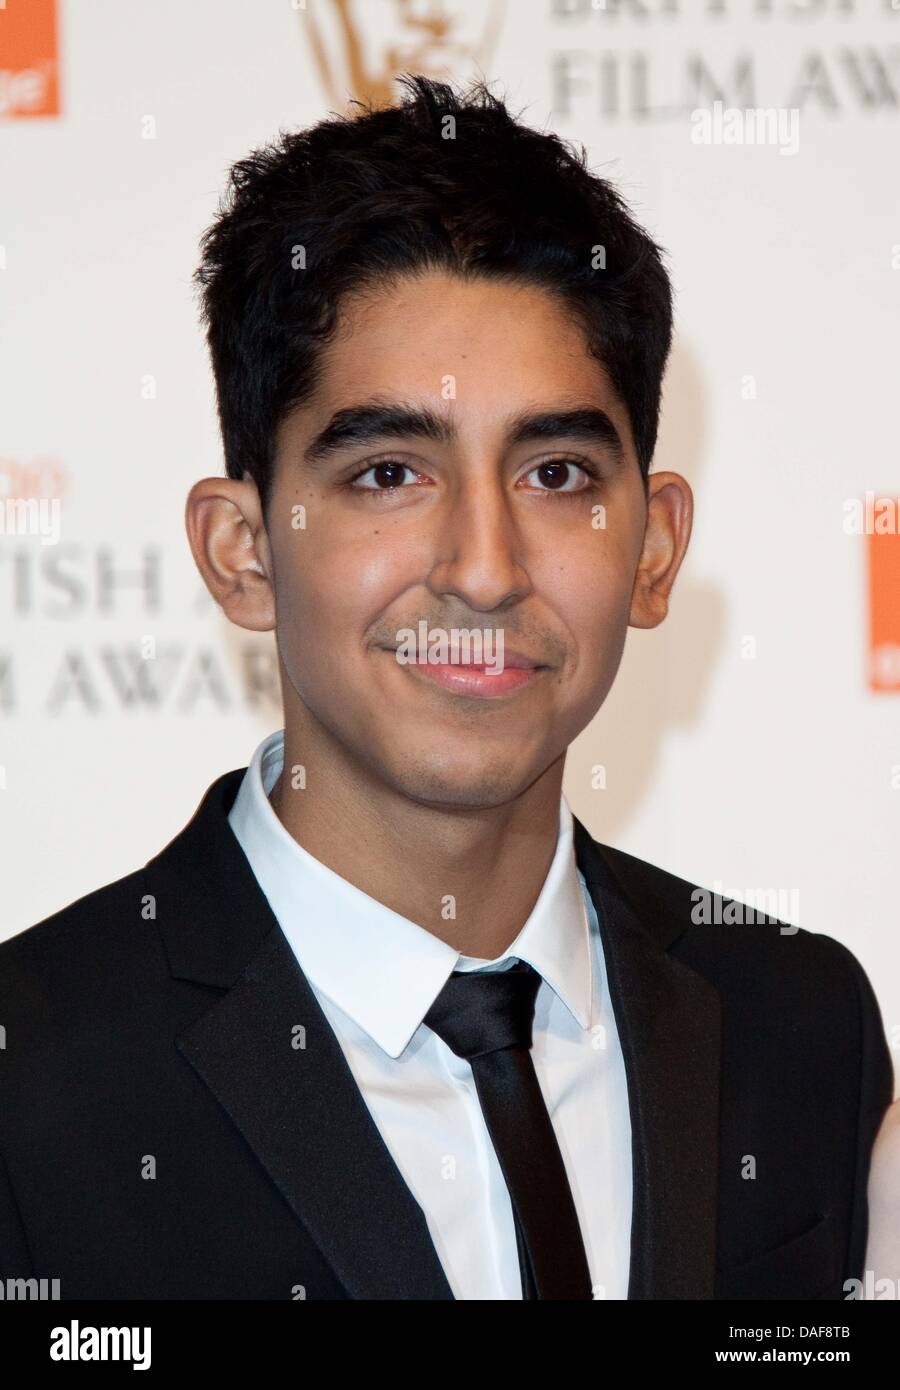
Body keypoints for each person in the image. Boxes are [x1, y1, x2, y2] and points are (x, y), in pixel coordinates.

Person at [0, 74, 893, 1301]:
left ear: (654, 547)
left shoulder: (801, 1022)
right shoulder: (34, 1074)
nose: (483, 568)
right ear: (242, 551)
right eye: (386, 474)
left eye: (558, 472)